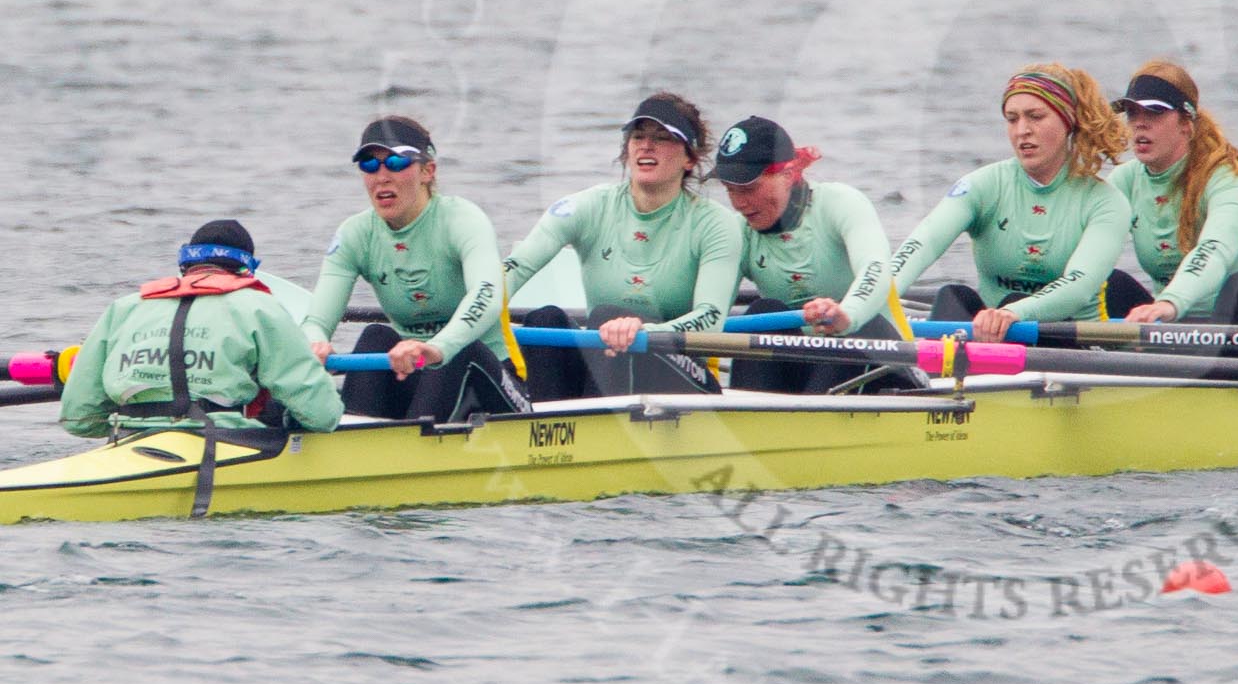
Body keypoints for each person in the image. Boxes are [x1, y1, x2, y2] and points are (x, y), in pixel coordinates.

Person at [506, 94, 743, 399]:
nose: (647, 145)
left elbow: (710, 320)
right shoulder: (588, 206)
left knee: (608, 318)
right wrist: (468, 306)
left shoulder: (716, 224)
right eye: (639, 136)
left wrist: (644, 332)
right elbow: (514, 268)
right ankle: (548, 433)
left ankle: (599, 433)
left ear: (690, 158)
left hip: (685, 370)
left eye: (663, 138)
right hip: (608, 359)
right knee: (544, 319)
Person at [304, 117, 529, 421]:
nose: (381, 177)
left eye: (396, 162)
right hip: (415, 377)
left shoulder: (462, 219)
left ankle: (407, 451)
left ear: (427, 171)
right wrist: (314, 343)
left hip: (492, 380)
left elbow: (487, 295)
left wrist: (437, 348)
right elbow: (317, 319)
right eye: (370, 165)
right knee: (375, 337)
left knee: (459, 351)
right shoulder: (355, 234)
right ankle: (354, 445)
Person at [890, 63, 1130, 343]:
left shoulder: (1106, 203)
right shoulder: (983, 185)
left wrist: (1013, 312)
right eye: (1012, 119)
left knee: (1012, 301)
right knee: (954, 297)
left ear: (1068, 121)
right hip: (996, 340)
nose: (1022, 131)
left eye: (1036, 117)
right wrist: (871, 299)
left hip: (1074, 345)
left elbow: (1079, 285)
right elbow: (923, 243)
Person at [61, 220, 343, 438]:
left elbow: (78, 418)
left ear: (185, 265)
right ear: (247, 271)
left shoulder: (124, 307)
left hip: (127, 440)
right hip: (223, 443)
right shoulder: (260, 307)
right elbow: (323, 416)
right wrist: (315, 372)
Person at [712, 115, 909, 395]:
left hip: (885, 365)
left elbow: (875, 268)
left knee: (857, 329)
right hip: (807, 376)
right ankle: (755, 422)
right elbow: (711, 310)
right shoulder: (738, 232)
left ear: (788, 174)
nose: (739, 203)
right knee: (763, 312)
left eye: (749, 188)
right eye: (730, 190)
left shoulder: (840, 204)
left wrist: (846, 314)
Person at [1105, 61, 1238, 324]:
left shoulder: (1227, 179)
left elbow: (1214, 248)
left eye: (1154, 113)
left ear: (1186, 123)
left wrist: (1170, 302)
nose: (1139, 124)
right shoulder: (1124, 181)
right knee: (1111, 283)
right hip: (1172, 325)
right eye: (1132, 113)